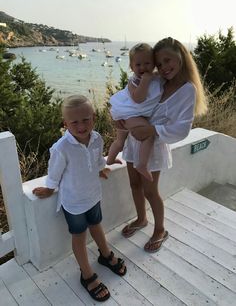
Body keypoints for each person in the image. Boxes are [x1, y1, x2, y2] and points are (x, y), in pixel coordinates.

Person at [32, 95, 126, 302]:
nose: (81, 126)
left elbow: (95, 158)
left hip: (93, 195)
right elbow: (55, 171)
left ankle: (105, 255)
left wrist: (101, 168)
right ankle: (87, 274)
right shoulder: (61, 148)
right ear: (65, 124)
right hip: (74, 203)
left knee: (97, 224)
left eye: (86, 119)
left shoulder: (97, 138)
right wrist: (50, 188)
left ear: (93, 117)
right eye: (74, 122)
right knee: (79, 237)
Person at [121, 37, 208, 253]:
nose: (164, 67)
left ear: (181, 56)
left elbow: (182, 129)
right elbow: (132, 98)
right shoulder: (157, 80)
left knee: (151, 191)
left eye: (168, 60)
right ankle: (141, 219)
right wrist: (120, 117)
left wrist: (151, 130)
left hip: (154, 145)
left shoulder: (187, 90)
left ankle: (160, 229)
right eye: (159, 64)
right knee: (134, 184)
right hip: (134, 142)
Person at [106, 43, 161, 182]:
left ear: (154, 64)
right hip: (128, 114)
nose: (143, 67)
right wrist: (145, 81)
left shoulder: (156, 78)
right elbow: (138, 98)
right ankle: (142, 165)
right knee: (148, 135)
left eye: (147, 63)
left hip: (126, 114)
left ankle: (110, 160)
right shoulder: (134, 81)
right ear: (131, 67)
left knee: (119, 141)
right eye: (138, 65)